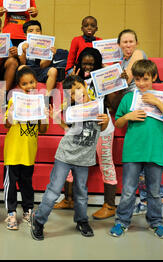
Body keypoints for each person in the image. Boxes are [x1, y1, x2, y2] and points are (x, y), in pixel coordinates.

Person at [30, 75, 109, 240]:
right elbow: (68, 129)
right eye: (72, 93)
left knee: (81, 193)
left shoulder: (99, 106)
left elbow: (102, 129)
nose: (77, 94)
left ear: (85, 86)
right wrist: (56, 119)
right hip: (65, 156)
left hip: (85, 159)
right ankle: (38, 221)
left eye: (79, 88)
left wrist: (106, 121)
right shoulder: (72, 109)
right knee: (53, 191)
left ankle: (81, 221)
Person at [110, 59, 163, 238]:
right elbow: (117, 122)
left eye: (146, 79)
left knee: (154, 191)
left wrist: (158, 103)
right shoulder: (128, 98)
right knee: (128, 190)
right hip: (132, 151)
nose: (141, 83)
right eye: (138, 79)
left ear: (154, 77)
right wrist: (129, 116)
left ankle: (156, 223)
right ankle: (121, 222)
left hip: (155, 151)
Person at [55, 48, 119, 220]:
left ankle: (110, 205)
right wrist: (69, 80)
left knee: (106, 163)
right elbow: (68, 108)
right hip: (80, 128)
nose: (88, 66)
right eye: (85, 63)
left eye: (92, 64)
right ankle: (69, 199)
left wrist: (114, 82)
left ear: (98, 64)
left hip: (102, 128)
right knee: (71, 160)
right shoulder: (75, 82)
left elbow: (113, 104)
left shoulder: (102, 82)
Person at [113, 29, 163, 217]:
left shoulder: (138, 55)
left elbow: (127, 80)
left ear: (136, 43)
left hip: (141, 102)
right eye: (124, 42)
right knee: (138, 162)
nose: (128, 45)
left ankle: (160, 198)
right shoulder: (120, 61)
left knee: (145, 158)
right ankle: (146, 200)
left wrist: (112, 79)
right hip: (130, 105)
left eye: (131, 41)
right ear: (119, 45)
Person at [3, 66, 48, 230]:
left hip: (29, 153)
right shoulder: (14, 100)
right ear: (18, 85)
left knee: (27, 184)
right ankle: (11, 213)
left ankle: (28, 210)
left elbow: (43, 130)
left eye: (32, 82)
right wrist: (11, 113)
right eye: (24, 84)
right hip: (13, 153)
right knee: (11, 184)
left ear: (36, 82)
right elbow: (6, 124)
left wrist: (45, 116)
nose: (29, 86)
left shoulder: (39, 102)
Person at [18, 20, 57, 93]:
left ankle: (47, 97)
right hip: (28, 70)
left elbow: (42, 65)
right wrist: (24, 52)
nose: (35, 33)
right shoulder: (22, 45)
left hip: (40, 70)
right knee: (21, 68)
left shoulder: (46, 44)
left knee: (53, 70)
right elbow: (22, 63)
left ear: (41, 33)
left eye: (38, 31)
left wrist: (51, 55)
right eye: (31, 31)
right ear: (25, 35)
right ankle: (24, 94)